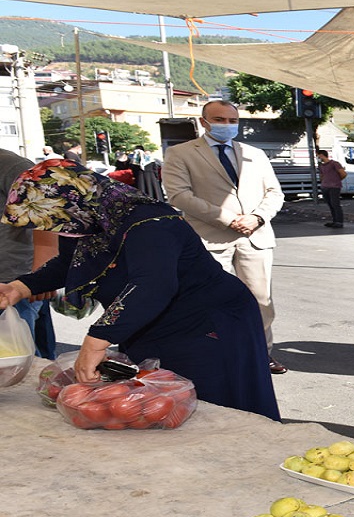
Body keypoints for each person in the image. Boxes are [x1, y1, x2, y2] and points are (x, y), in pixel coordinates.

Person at [0, 160, 279, 419]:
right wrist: (19, 287)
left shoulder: (149, 221)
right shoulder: (87, 219)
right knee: (160, 400)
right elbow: (67, 263)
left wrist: (97, 340)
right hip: (151, 322)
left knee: (214, 405)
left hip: (207, 323)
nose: (49, 228)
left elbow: (152, 284)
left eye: (48, 217)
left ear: (73, 198)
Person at [163, 100, 288, 375]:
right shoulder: (181, 153)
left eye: (233, 120)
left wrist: (256, 218)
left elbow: (274, 193)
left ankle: (261, 353)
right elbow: (179, 195)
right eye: (220, 119)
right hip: (210, 238)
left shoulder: (254, 154)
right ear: (204, 121)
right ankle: (217, 355)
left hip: (255, 236)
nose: (227, 125)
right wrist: (228, 219)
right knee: (212, 300)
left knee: (260, 299)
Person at [0, 148, 56, 359]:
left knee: (25, 364)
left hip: (14, 283)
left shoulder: (9, 164)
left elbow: (46, 213)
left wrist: (41, 274)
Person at [317, 149, 347, 229]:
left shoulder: (334, 164)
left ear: (322, 155)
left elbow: (343, 174)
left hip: (334, 187)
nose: (317, 157)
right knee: (330, 204)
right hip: (325, 187)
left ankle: (339, 222)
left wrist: (336, 180)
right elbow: (322, 176)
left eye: (318, 155)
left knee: (335, 204)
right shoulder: (321, 166)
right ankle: (334, 221)